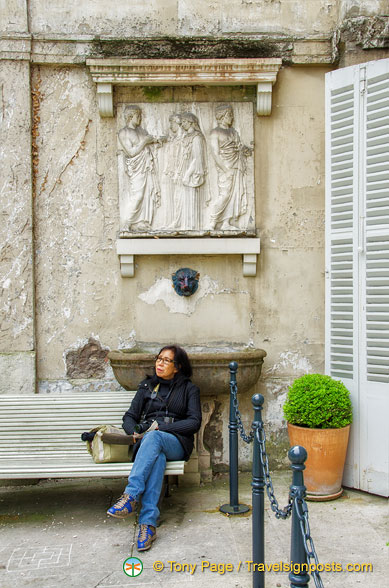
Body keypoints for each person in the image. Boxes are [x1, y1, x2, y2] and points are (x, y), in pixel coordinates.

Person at [107, 345, 202, 552]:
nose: (160, 363)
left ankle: (131, 495)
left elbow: (194, 422)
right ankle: (148, 524)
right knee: (156, 456)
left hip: (176, 441)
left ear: (177, 367)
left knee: (155, 437)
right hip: (148, 443)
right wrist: (133, 432)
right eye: (159, 359)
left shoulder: (189, 389)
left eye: (166, 360)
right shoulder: (147, 386)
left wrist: (163, 427)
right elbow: (130, 416)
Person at [118, 105, 164, 231]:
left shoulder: (141, 131)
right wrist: (144, 142)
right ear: (130, 116)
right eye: (137, 115)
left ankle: (140, 222)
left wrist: (159, 139)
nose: (140, 118)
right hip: (136, 167)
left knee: (147, 194)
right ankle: (127, 222)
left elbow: (149, 139)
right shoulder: (124, 132)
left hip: (146, 166)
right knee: (137, 195)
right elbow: (131, 152)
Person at [209, 104, 252, 230]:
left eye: (232, 115)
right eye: (229, 115)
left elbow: (239, 147)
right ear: (222, 117)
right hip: (226, 167)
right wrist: (226, 170)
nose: (232, 118)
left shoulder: (233, 132)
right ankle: (212, 220)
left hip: (236, 165)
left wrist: (246, 150)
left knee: (235, 194)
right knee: (225, 194)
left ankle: (227, 222)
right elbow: (215, 154)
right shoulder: (215, 132)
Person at [172, 112, 208, 230]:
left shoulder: (197, 138)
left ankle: (191, 226)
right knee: (181, 200)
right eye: (181, 122)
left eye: (184, 122)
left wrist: (187, 174)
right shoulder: (186, 137)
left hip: (192, 174)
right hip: (184, 171)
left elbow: (197, 159)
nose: (182, 125)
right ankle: (183, 225)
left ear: (190, 122)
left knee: (191, 200)